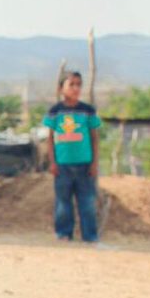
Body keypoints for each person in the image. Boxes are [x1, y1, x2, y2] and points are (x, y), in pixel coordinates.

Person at [44, 71, 102, 242]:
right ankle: (63, 234)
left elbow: (94, 138)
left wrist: (94, 163)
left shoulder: (87, 111)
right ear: (61, 88)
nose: (76, 88)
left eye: (78, 85)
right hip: (62, 165)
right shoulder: (55, 111)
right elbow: (50, 139)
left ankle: (90, 236)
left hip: (85, 164)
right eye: (71, 84)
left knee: (87, 202)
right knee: (63, 202)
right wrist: (52, 162)